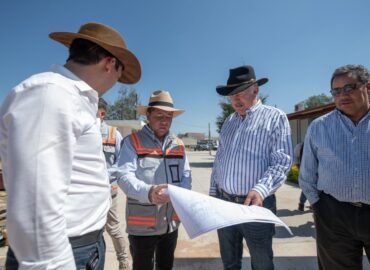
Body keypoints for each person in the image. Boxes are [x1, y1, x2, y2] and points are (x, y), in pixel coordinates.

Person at [0, 22, 141, 270]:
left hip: (84, 247)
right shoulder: (50, 95)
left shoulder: (72, 98)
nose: (117, 80)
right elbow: (35, 211)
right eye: (120, 72)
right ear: (109, 63)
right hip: (62, 253)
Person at [210, 65, 293, 270]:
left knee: (261, 263)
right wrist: (213, 194)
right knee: (229, 263)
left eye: (240, 93)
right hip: (224, 204)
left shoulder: (275, 117)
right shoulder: (229, 122)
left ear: (255, 90)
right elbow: (219, 159)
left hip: (256, 207)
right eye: (231, 95)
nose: (235, 99)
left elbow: (281, 161)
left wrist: (260, 189)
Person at [299, 64, 370, 270]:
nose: (342, 95)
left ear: (367, 87)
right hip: (334, 217)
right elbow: (307, 174)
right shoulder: (319, 127)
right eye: (336, 91)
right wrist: (319, 207)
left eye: (349, 87)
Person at [116, 90, 192, 270]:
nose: (164, 121)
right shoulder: (132, 142)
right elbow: (123, 176)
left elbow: (186, 178)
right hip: (142, 227)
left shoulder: (179, 145)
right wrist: (148, 192)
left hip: (170, 225)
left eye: (169, 117)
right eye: (159, 116)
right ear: (148, 115)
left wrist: (180, 193)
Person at [97, 98, 129, 270]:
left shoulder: (113, 134)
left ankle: (123, 262)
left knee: (113, 228)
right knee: (94, 231)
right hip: (89, 195)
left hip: (109, 191)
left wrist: (101, 175)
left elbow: (121, 163)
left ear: (101, 114)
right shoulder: (81, 132)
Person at [294, 142, 307, 211]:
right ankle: (301, 204)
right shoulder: (300, 146)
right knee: (306, 188)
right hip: (305, 169)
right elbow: (296, 158)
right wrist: (299, 169)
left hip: (318, 170)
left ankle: (314, 205)